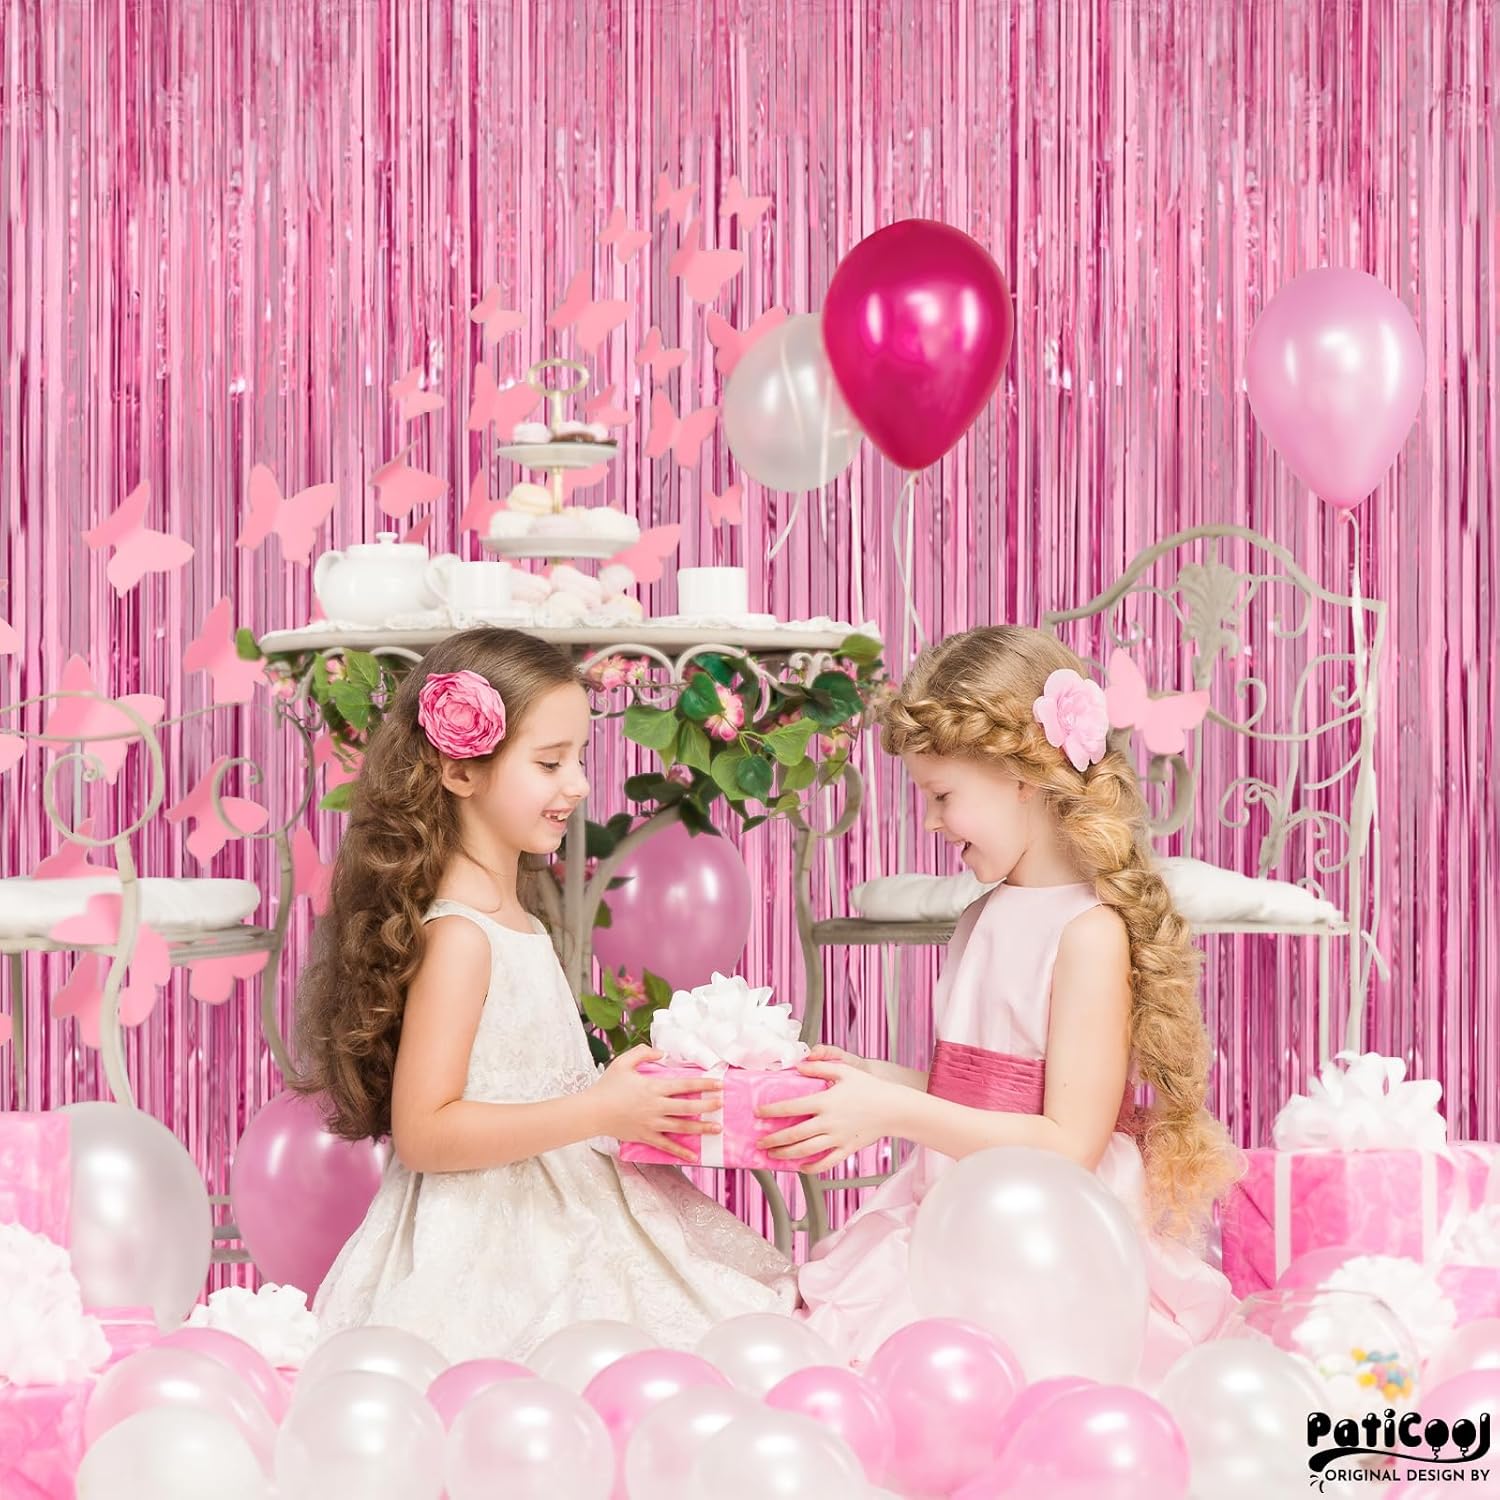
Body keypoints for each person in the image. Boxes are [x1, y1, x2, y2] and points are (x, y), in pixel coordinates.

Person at [295, 627, 794, 1360]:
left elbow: (532, 1079)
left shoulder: (517, 921)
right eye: (550, 762)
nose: (579, 784)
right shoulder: (460, 938)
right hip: (492, 1234)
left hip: (564, 1198)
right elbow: (425, 1134)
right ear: (460, 771)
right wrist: (599, 1109)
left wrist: (630, 1099)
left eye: (579, 758)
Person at [766, 625, 1241, 1381]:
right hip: (957, 1213)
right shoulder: (981, 916)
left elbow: (1067, 1144)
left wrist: (894, 1112)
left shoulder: (1087, 934)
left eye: (942, 796)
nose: (930, 821)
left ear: (1022, 778)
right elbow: (989, 1098)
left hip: (1044, 1240)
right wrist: (878, 1082)